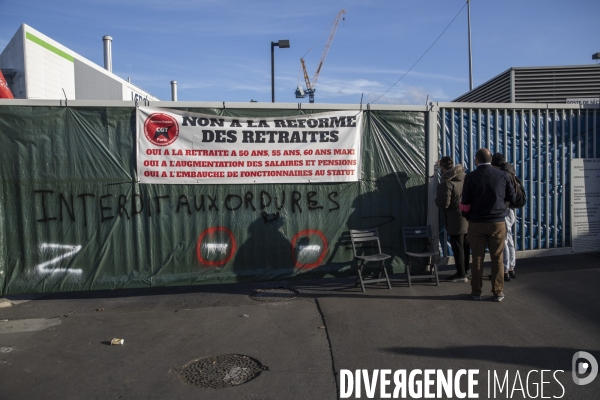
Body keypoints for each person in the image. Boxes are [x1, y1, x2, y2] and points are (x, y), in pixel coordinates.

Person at [460, 148, 516, 302]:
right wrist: (501, 209)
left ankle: (476, 292)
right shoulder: (503, 175)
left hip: (477, 223)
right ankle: (498, 292)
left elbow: (465, 203)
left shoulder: (470, 177)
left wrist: (468, 216)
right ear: (490, 160)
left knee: (477, 257)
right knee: (497, 257)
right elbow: (511, 196)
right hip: (497, 222)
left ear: (476, 160)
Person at [435, 156, 470, 283]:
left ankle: (460, 274)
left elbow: (443, 203)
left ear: (443, 168)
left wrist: (436, 199)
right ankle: (466, 270)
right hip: (467, 216)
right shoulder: (464, 177)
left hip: (455, 218)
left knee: (457, 247)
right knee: (465, 246)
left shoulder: (447, 183)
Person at [491, 153, 517, 281]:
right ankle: (511, 267)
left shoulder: (503, 175)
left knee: (504, 240)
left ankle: (504, 269)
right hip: (511, 209)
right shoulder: (511, 172)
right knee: (510, 238)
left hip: (504, 210)